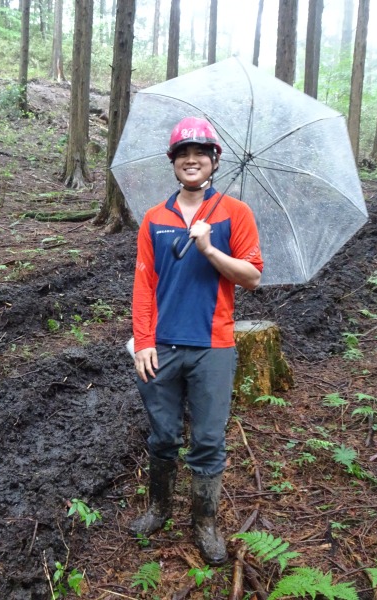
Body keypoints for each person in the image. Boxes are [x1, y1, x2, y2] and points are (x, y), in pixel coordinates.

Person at [130, 116, 263, 565]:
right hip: (161, 348)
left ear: (213, 161)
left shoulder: (235, 214)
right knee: (163, 434)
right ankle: (159, 508)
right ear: (173, 162)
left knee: (207, 439)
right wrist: (143, 341)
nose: (191, 160)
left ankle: (204, 522)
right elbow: (144, 284)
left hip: (214, 347)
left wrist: (209, 248)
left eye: (200, 153)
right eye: (182, 154)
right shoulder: (154, 218)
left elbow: (252, 277)